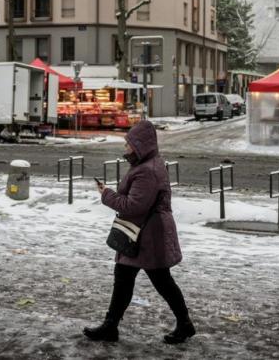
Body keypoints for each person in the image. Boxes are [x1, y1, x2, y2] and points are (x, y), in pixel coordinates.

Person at [83, 120, 195, 344]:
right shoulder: (145, 165)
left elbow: (134, 206)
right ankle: (110, 326)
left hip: (148, 236)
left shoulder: (147, 171)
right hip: (142, 233)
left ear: (140, 145)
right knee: (124, 278)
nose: (125, 148)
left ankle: (184, 324)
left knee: (162, 281)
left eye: (128, 144)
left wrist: (106, 194)